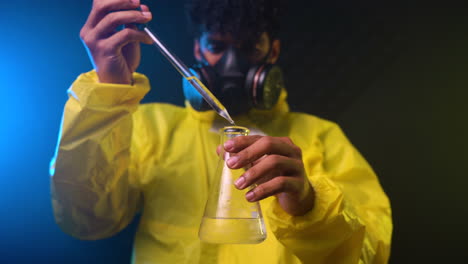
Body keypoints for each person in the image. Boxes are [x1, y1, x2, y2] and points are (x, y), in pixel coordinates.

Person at [50, 0, 392, 263]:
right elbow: (86, 219)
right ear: (197, 50)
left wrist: (309, 205)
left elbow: (369, 254)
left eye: (248, 48)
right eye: (216, 46)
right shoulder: (149, 128)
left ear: (273, 50)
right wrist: (110, 88)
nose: (232, 65)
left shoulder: (321, 138)